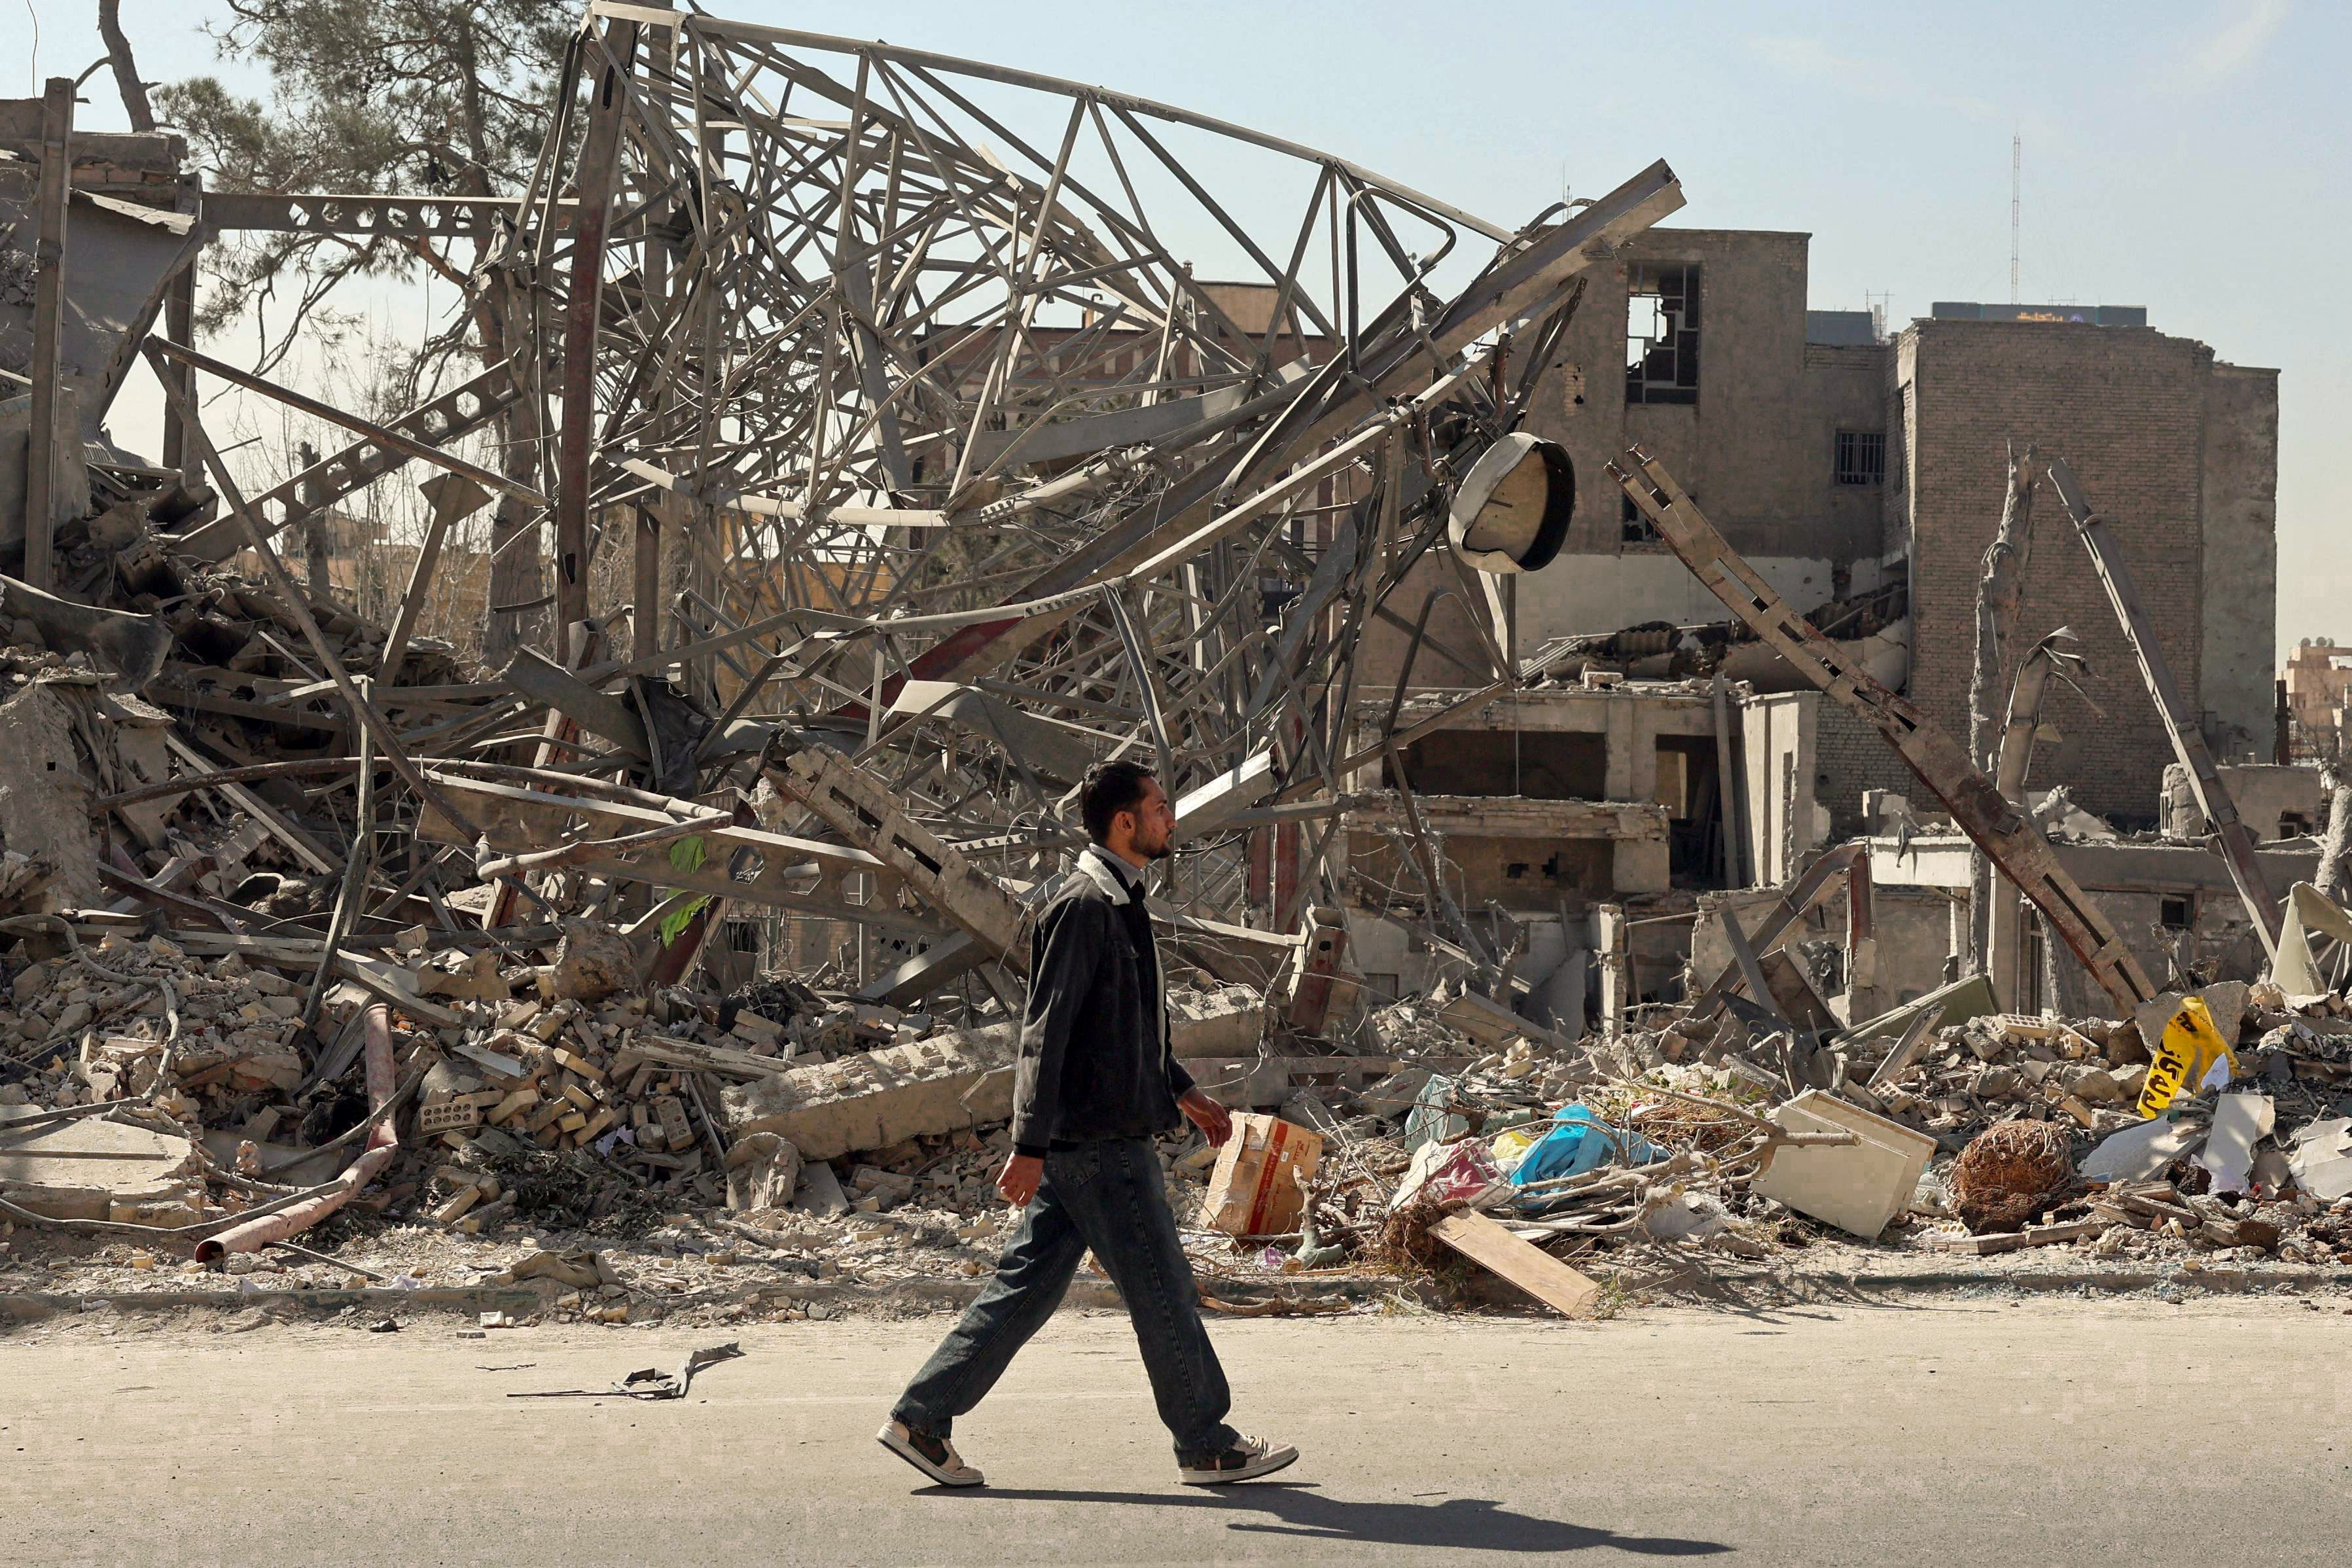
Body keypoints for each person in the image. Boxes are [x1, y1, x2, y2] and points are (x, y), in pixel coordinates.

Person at [878, 759, 1298, 1489]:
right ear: (1125, 823)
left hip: (1100, 1136)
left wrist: (1185, 1091)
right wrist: (1029, 1144)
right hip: (1099, 1143)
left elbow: (1125, 1026)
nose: (1173, 820)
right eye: (1161, 808)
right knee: (1163, 1287)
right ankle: (1205, 1441)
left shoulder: (1121, 901)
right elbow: (1048, 1033)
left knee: (1026, 1290)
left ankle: (921, 1417)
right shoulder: (1082, 906)